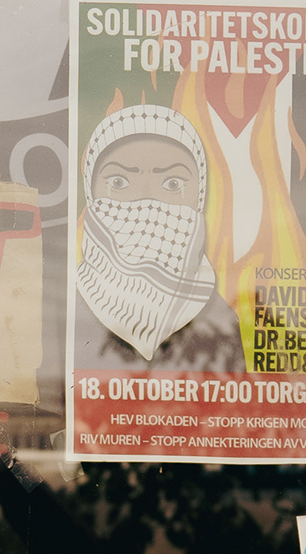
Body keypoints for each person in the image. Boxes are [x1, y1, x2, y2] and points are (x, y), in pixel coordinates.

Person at [72, 100, 242, 370]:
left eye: (173, 184)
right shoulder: (66, 314)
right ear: (91, 195)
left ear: (199, 198)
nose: (147, 200)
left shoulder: (224, 324)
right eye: (119, 182)